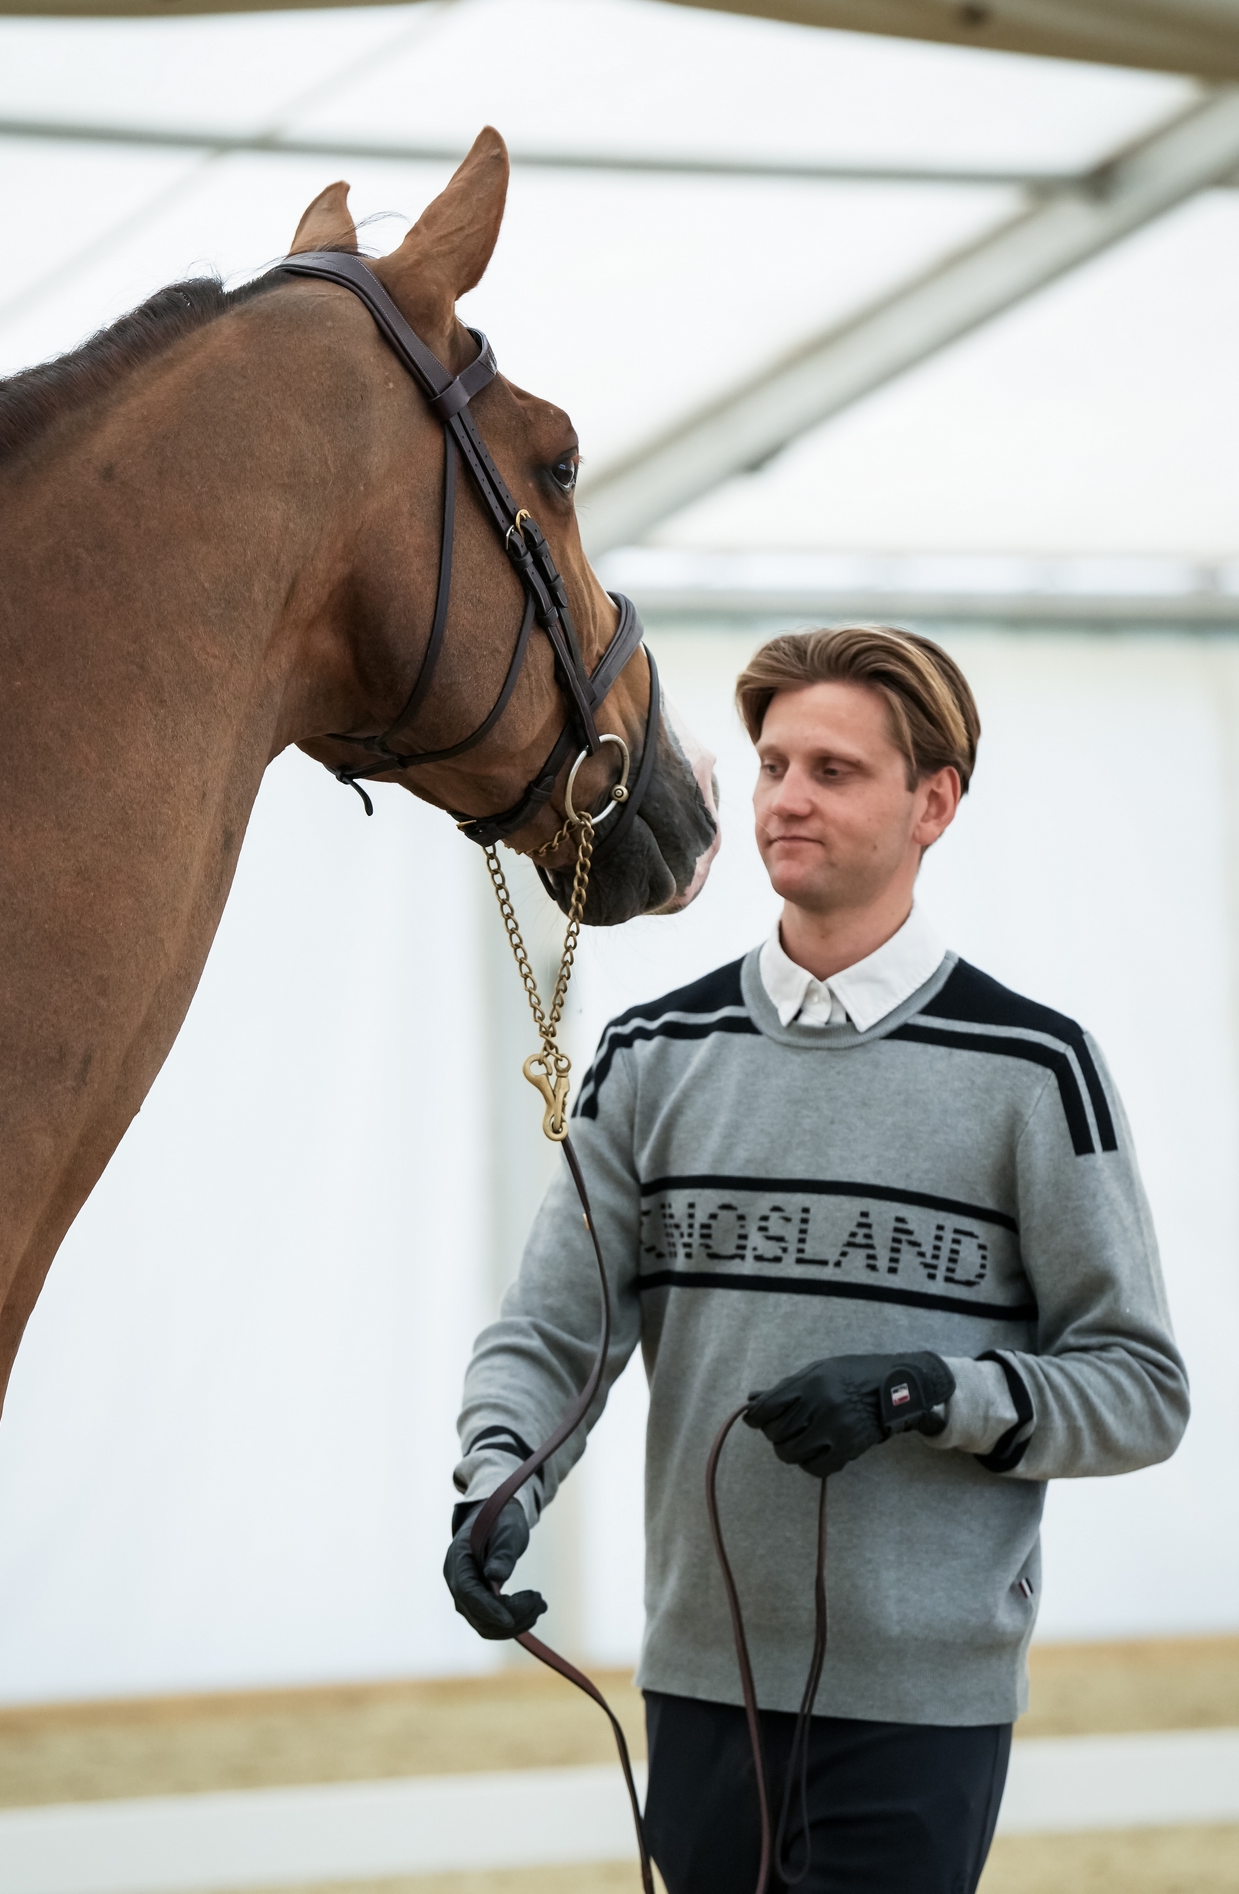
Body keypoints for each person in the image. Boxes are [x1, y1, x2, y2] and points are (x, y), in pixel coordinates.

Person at [443, 626, 1188, 1894]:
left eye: (833, 770)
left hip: (919, 1706)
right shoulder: (651, 1055)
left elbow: (1140, 1388)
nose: (785, 797)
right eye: (774, 764)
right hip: (698, 1683)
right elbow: (552, 1333)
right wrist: (494, 1481)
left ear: (932, 803)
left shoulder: (1033, 1070)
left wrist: (926, 1391)